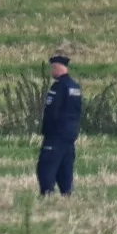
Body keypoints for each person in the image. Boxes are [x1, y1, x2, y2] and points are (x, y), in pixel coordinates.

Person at [38, 54, 83, 197]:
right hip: (70, 134)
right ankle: (67, 194)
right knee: (65, 167)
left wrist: (47, 130)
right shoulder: (75, 87)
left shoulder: (58, 87)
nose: (51, 71)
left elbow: (52, 111)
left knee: (46, 167)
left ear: (58, 68)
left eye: (52, 68)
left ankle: (47, 195)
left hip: (55, 135)